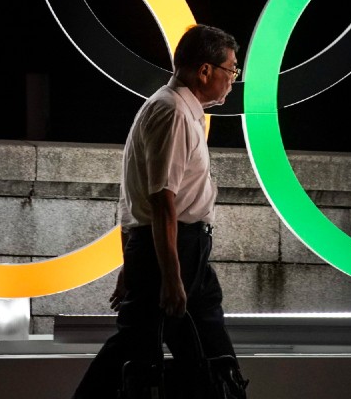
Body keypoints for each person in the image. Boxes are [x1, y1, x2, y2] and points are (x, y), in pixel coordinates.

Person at [71, 23, 247, 399]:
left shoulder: (181, 110)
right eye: (231, 70)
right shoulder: (172, 113)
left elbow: (132, 199)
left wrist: (131, 265)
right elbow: (160, 199)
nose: (233, 79)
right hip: (174, 247)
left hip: (178, 247)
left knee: (195, 337)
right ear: (204, 71)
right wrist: (169, 275)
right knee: (141, 341)